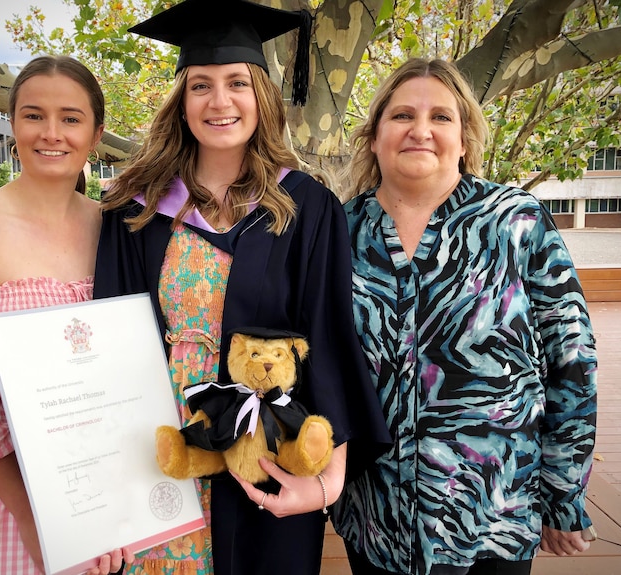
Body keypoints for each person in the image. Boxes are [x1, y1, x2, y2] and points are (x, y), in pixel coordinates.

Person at [93, 0, 391, 573]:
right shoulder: (137, 211)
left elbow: (328, 342)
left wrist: (326, 484)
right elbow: (110, 347)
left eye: (237, 83)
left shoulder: (306, 208)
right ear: (181, 101)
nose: (219, 101)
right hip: (159, 443)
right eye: (200, 85)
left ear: (263, 95)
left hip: (268, 453)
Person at [331, 57, 599, 575]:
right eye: (403, 115)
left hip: (492, 514)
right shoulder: (337, 232)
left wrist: (564, 494)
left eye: (441, 118)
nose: (421, 131)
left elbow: (573, 360)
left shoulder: (514, 222)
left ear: (465, 138)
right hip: (375, 516)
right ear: (374, 135)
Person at [0, 55, 129, 575]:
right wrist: (44, 525)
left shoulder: (117, 228)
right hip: (12, 503)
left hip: (104, 494)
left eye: (71, 118)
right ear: (12, 126)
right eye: (33, 115)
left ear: (96, 134)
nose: (51, 133)